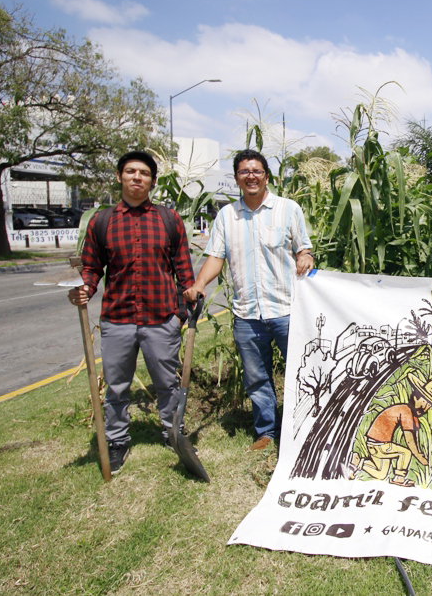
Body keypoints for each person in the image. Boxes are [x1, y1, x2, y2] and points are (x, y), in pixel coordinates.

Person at [69, 150, 195, 474]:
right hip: (117, 319)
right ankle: (116, 440)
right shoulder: (102, 221)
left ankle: (173, 431)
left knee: (167, 383)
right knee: (115, 386)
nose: (137, 177)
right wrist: (85, 287)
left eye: (143, 173)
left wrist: (182, 311)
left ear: (152, 181)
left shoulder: (169, 220)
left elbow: (184, 270)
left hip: (160, 318)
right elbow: (91, 267)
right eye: (130, 171)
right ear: (119, 177)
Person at [184, 149, 313, 451]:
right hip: (246, 314)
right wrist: (200, 283)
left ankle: (305, 428)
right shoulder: (227, 216)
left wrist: (305, 257)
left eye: (256, 171)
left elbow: (303, 248)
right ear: (237, 178)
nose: (251, 176)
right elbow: (216, 256)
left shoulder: (288, 209)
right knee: (256, 377)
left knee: (301, 371)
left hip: (286, 310)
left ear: (267, 176)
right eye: (244, 172)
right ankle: (267, 431)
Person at [348, 376, 432, 487]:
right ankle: (399, 478)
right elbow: (409, 439)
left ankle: (358, 462)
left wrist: (420, 453)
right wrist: (418, 456)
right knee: (405, 452)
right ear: (417, 398)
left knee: (381, 474)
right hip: (379, 443)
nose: (426, 408)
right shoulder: (406, 411)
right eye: (425, 402)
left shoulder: (414, 417)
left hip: (377, 444)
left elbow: (415, 437)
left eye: (429, 405)